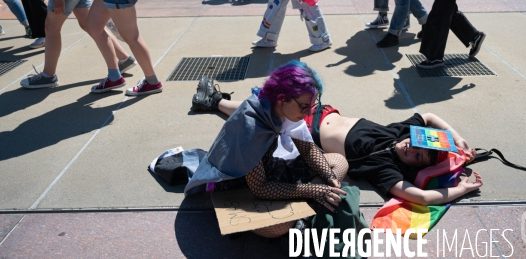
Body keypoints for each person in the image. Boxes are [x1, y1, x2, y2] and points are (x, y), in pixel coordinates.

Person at [192, 77, 482, 206]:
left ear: (411, 166)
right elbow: (430, 116)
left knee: (263, 110)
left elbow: (420, 197)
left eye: (416, 158)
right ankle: (218, 101)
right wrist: (457, 139)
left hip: (311, 130)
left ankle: (215, 101)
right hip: (322, 110)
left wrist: (461, 189)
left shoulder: (384, 166)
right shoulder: (400, 133)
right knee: (268, 104)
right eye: (418, 145)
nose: (411, 149)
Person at [186, 61, 349, 238]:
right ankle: (304, 211)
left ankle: (303, 212)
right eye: (304, 106)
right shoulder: (250, 127)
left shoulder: (285, 109)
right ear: (281, 98)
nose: (309, 112)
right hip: (240, 185)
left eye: (311, 105)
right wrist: (314, 190)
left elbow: (308, 150)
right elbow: (260, 188)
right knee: (278, 228)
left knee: (339, 162)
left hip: (270, 169)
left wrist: (330, 180)